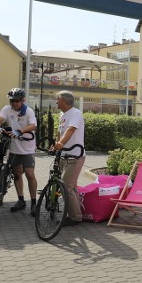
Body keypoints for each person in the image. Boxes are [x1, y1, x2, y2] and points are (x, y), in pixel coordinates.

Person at [0, 88, 38, 215]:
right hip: (14, 148)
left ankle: (34, 202)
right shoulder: (6, 109)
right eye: (12, 101)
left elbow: (33, 125)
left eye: (17, 101)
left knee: (30, 174)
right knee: (18, 174)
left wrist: (20, 131)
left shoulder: (28, 111)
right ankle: (21, 200)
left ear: (23, 100)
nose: (14, 103)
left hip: (27, 148)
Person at [52, 91, 86, 227]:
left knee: (66, 187)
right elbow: (60, 132)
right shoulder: (62, 115)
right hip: (64, 156)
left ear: (65, 101)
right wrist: (55, 145)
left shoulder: (76, 113)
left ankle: (76, 217)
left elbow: (70, 130)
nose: (56, 101)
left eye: (58, 99)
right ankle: (74, 211)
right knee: (72, 187)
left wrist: (60, 144)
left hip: (75, 156)